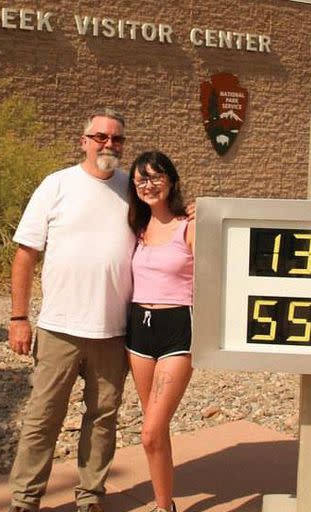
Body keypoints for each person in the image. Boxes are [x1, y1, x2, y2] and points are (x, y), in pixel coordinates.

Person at [6, 108, 134, 512]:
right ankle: (24, 501)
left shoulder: (132, 189)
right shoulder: (56, 185)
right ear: (83, 141)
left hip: (113, 332)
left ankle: (91, 498)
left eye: (116, 139)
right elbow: (25, 255)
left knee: (102, 420)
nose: (108, 145)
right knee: (42, 419)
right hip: (60, 328)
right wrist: (18, 317)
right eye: (100, 137)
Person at [126, 151, 195, 512]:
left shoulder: (190, 225)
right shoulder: (136, 229)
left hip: (176, 330)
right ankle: (163, 504)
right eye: (141, 180)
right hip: (139, 332)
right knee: (158, 429)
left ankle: (165, 506)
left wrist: (207, 209)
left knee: (150, 431)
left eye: (155, 177)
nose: (148, 185)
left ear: (171, 180)